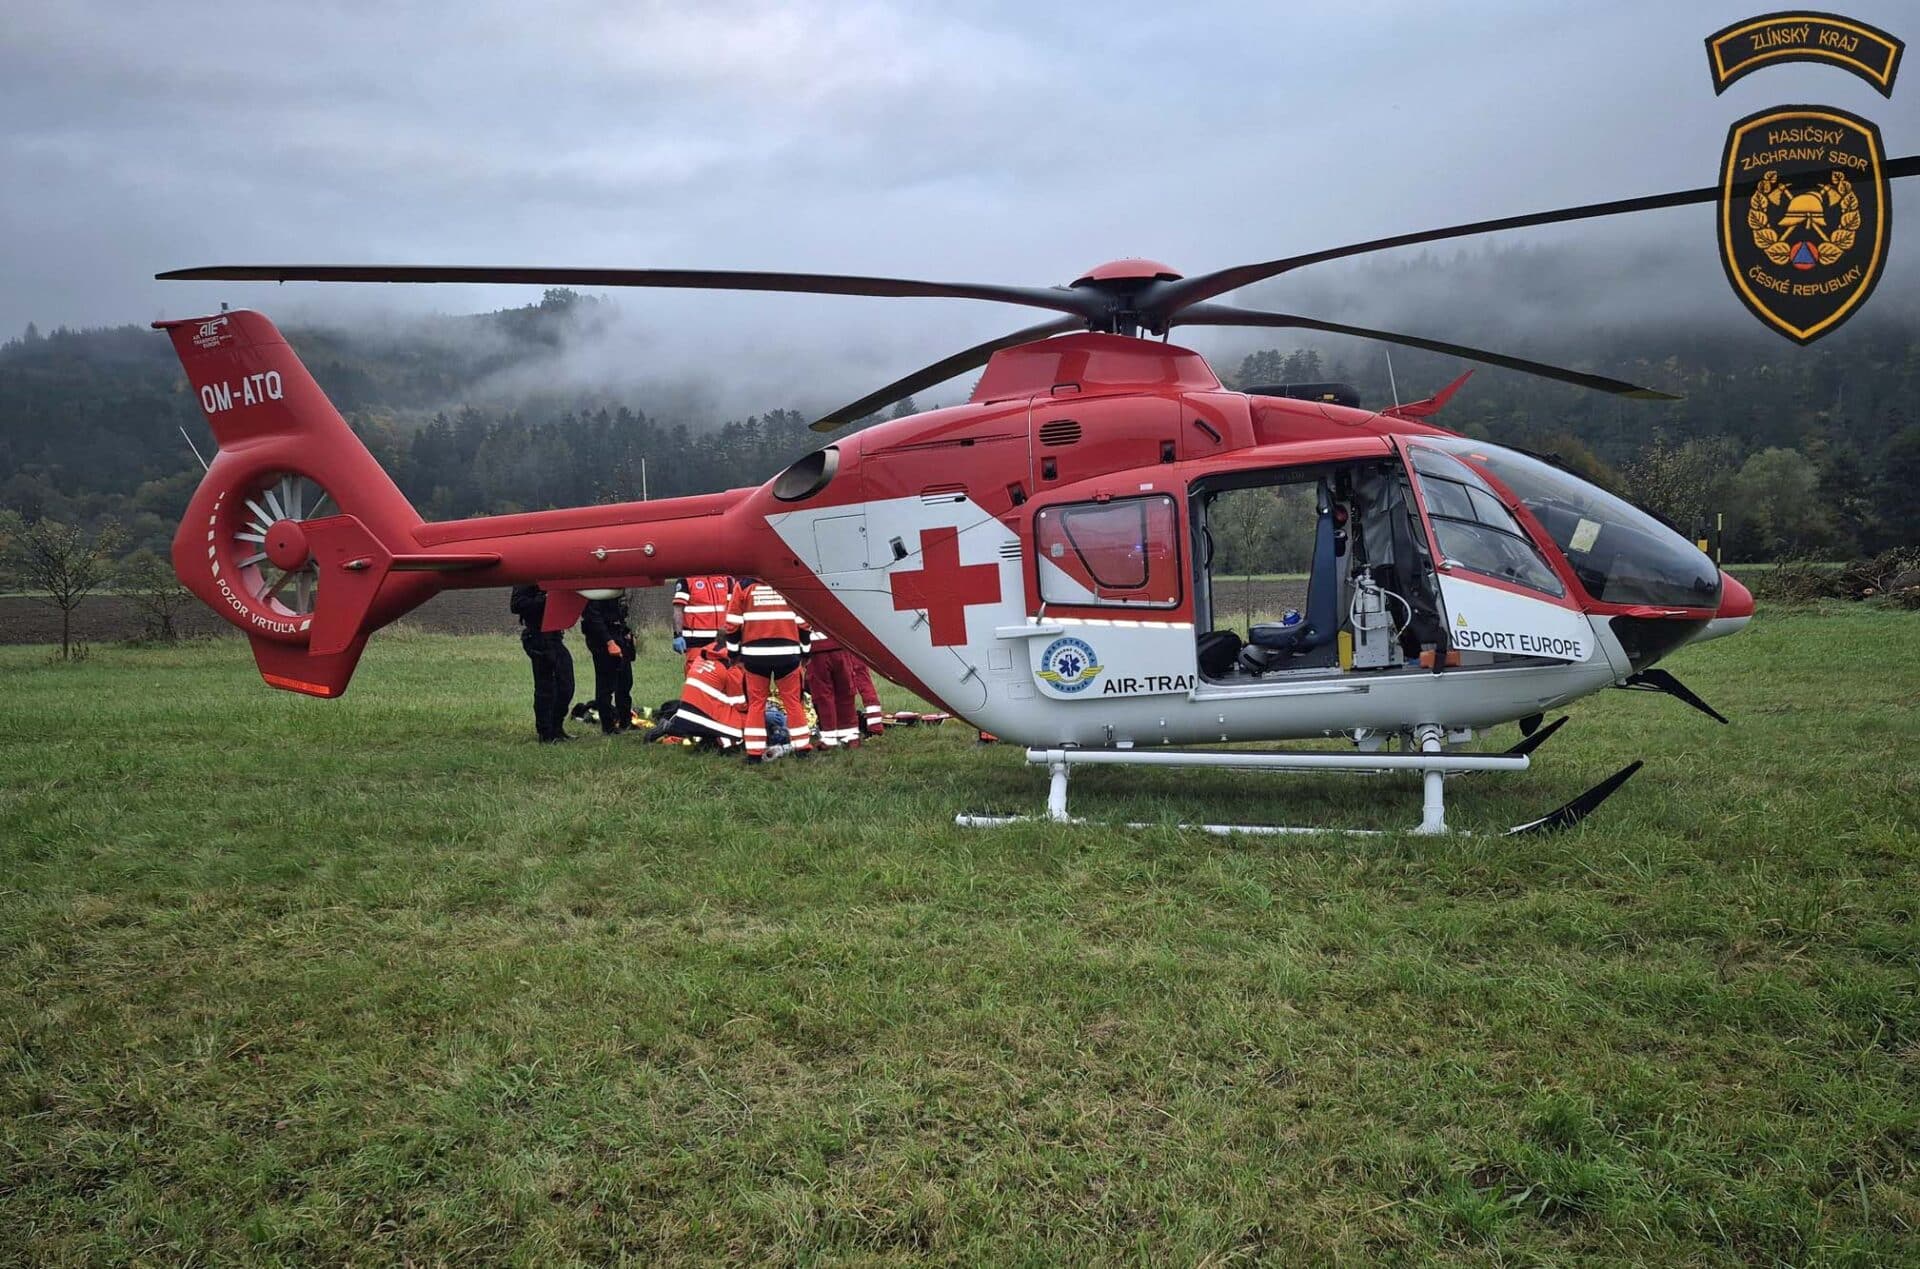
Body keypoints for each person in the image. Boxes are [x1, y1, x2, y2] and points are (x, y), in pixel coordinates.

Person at [723, 577, 813, 763]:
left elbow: (732, 623)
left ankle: (754, 754)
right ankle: (802, 749)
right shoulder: (791, 581)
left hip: (755, 656)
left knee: (756, 704)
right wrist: (805, 651)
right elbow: (804, 622)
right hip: (788, 654)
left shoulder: (744, 586)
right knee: (793, 703)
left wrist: (733, 654)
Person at [509, 584, 574, 743]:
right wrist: (545, 599)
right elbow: (516, 605)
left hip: (554, 637)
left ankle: (557, 727)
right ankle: (546, 733)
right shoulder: (526, 577)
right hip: (537, 636)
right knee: (545, 688)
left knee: (566, 685)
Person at [656, 640, 746, 748]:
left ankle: (673, 727)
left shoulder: (703, 656)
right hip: (702, 717)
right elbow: (740, 705)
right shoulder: (731, 668)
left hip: (684, 713)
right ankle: (713, 742)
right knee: (744, 730)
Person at [580, 592, 637, 734]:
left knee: (625, 681)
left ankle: (625, 721)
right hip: (601, 638)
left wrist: (625, 632)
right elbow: (593, 618)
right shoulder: (595, 590)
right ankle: (608, 726)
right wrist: (609, 642)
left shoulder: (616, 590)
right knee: (606, 685)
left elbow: (619, 613)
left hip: (618, 633)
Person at [806, 625, 859, 749]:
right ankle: (851, 736)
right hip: (839, 645)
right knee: (846, 692)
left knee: (823, 696)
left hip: (816, 650)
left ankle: (829, 738)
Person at [671, 574, 736, 661]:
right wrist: (677, 635)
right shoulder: (686, 580)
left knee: (722, 672)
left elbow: (734, 609)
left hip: (722, 640)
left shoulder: (726, 579)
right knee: (696, 673)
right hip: (696, 642)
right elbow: (678, 610)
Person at [848, 656, 887, 737]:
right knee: (867, 688)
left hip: (840, 653)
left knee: (845, 692)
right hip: (856, 652)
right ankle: (876, 727)